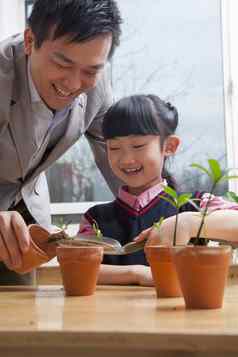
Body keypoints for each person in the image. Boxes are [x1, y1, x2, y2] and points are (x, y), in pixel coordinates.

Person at [0, 0, 122, 284]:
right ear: (30, 41)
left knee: (21, 319)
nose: (73, 83)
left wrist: (164, 213)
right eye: (62, 63)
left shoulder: (98, 87)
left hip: (27, 222)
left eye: (90, 71)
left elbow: (121, 157)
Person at [78, 94, 238, 286]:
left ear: (169, 146)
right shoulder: (95, 218)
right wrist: (137, 273)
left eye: (138, 146)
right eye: (114, 148)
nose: (126, 159)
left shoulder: (194, 205)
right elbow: (79, 266)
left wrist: (188, 223)